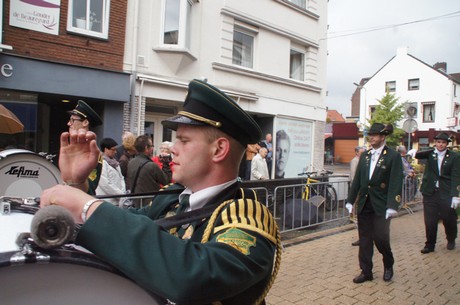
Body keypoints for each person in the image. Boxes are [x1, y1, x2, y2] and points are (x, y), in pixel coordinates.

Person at [40, 79, 280, 304]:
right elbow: (128, 227)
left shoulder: (249, 217)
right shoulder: (174, 198)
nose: (171, 150)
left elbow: (193, 276)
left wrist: (85, 207)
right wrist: (76, 183)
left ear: (219, 150)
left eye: (184, 141)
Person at [345, 123, 403, 283]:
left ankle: (388, 263)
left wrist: (393, 205)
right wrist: (350, 200)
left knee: (381, 238)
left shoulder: (393, 156)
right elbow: (357, 180)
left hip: (382, 205)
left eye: (375, 135)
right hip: (365, 203)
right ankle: (366, 271)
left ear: (383, 137)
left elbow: (396, 182)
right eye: (370, 135)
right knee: (364, 240)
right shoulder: (365, 155)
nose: (371, 137)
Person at [415, 132, 460, 254]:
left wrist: (456, 195)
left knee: (448, 218)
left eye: (443, 142)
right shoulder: (431, 154)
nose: (440, 145)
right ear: (435, 142)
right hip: (430, 192)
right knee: (430, 220)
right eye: (438, 142)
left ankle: (451, 238)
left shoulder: (454, 157)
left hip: (446, 192)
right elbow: (417, 155)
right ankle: (430, 244)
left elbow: (456, 176)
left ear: (447, 144)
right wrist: (431, 150)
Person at [66, 100, 103, 195]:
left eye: (72, 120)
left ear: (85, 122)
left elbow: (90, 186)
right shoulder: (70, 145)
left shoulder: (92, 150)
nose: (69, 124)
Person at [127, 135, 171, 208]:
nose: (153, 148)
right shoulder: (151, 166)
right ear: (146, 148)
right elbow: (167, 181)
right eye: (151, 146)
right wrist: (166, 163)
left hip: (136, 203)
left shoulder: (131, 162)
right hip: (150, 204)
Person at [95, 138, 126, 206]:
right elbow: (105, 183)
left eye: (116, 149)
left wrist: (123, 192)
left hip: (117, 201)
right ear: (106, 149)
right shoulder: (101, 163)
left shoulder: (115, 163)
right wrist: (120, 193)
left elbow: (121, 178)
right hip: (107, 201)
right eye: (113, 150)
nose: (115, 152)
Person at [349, 145, 366, 247]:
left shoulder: (363, 161)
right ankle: (352, 216)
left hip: (363, 189)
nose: (363, 154)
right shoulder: (355, 161)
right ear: (356, 153)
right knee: (357, 205)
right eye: (361, 152)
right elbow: (354, 175)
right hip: (358, 188)